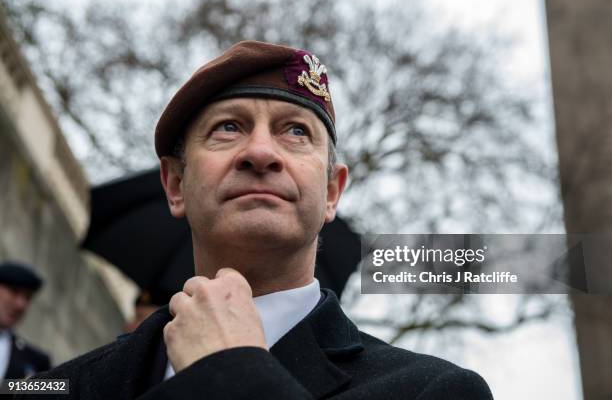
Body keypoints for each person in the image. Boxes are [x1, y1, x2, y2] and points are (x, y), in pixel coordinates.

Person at [22, 41, 492, 399]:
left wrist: (233, 372)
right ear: (175, 185)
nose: (261, 152)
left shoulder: (435, 390)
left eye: (295, 131)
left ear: (332, 193)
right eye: (229, 126)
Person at [0, 260, 50, 380]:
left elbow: (60, 388)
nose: (21, 304)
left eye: (27, 297)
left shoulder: (36, 361)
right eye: (14, 291)